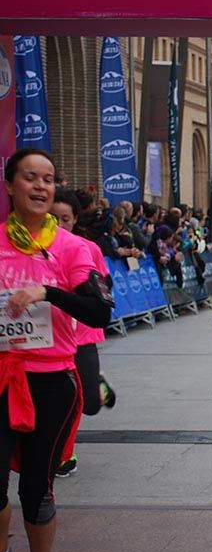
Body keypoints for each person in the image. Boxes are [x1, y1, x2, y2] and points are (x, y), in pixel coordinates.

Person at [0, 148, 113, 552]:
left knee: (35, 488)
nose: (41, 187)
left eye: (48, 179)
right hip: (4, 379)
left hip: (54, 382)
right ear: (10, 185)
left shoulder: (74, 250)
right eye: (31, 178)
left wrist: (47, 291)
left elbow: (98, 310)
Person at [52, 188, 117, 478]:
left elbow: (105, 285)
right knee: (64, 401)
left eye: (64, 218)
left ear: (75, 219)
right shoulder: (29, 248)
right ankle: (64, 454)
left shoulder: (85, 247)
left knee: (89, 404)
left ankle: (99, 386)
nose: (58, 224)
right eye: (53, 217)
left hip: (83, 335)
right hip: (50, 337)